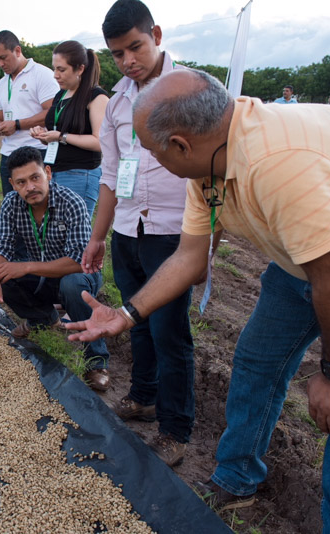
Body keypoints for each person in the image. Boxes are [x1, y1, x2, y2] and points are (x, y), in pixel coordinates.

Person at [67, 67, 330, 533]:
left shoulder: (279, 164)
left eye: (152, 150)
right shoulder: (210, 162)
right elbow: (190, 257)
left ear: (181, 145)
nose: (149, 158)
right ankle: (236, 477)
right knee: (255, 361)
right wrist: (127, 314)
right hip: (307, 258)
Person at [79, 0, 195, 467]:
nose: (128, 61)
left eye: (136, 47)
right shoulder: (118, 101)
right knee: (137, 320)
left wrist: (208, 244)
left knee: (171, 333)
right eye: (118, 53)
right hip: (128, 228)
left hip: (173, 231)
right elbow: (111, 173)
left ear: (157, 35)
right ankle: (144, 398)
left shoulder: (191, 89)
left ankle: (176, 429)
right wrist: (98, 236)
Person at [0, 146, 110, 391]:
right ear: (12, 184)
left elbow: (79, 262)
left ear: (48, 173)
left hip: (79, 275)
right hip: (44, 276)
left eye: (35, 178)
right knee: (2, 274)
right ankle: (43, 319)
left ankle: (97, 361)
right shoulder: (12, 204)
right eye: (21, 182)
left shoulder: (71, 202)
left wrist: (28, 266)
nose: (30, 187)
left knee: (73, 284)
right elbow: (3, 246)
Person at [29, 41, 109, 217]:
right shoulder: (61, 95)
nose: (56, 75)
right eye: (54, 69)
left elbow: (100, 141)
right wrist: (44, 135)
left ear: (80, 69)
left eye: (61, 70)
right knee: (55, 231)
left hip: (80, 173)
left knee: (76, 232)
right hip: (53, 171)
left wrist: (60, 137)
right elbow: (58, 131)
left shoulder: (96, 97)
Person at [0, 30, 60, 197]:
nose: (0, 64)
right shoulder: (0, 85)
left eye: (4, 57)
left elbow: (52, 112)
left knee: (41, 206)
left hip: (36, 151)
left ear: (18, 51)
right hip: (8, 154)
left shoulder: (42, 75)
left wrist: (17, 124)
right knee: (12, 207)